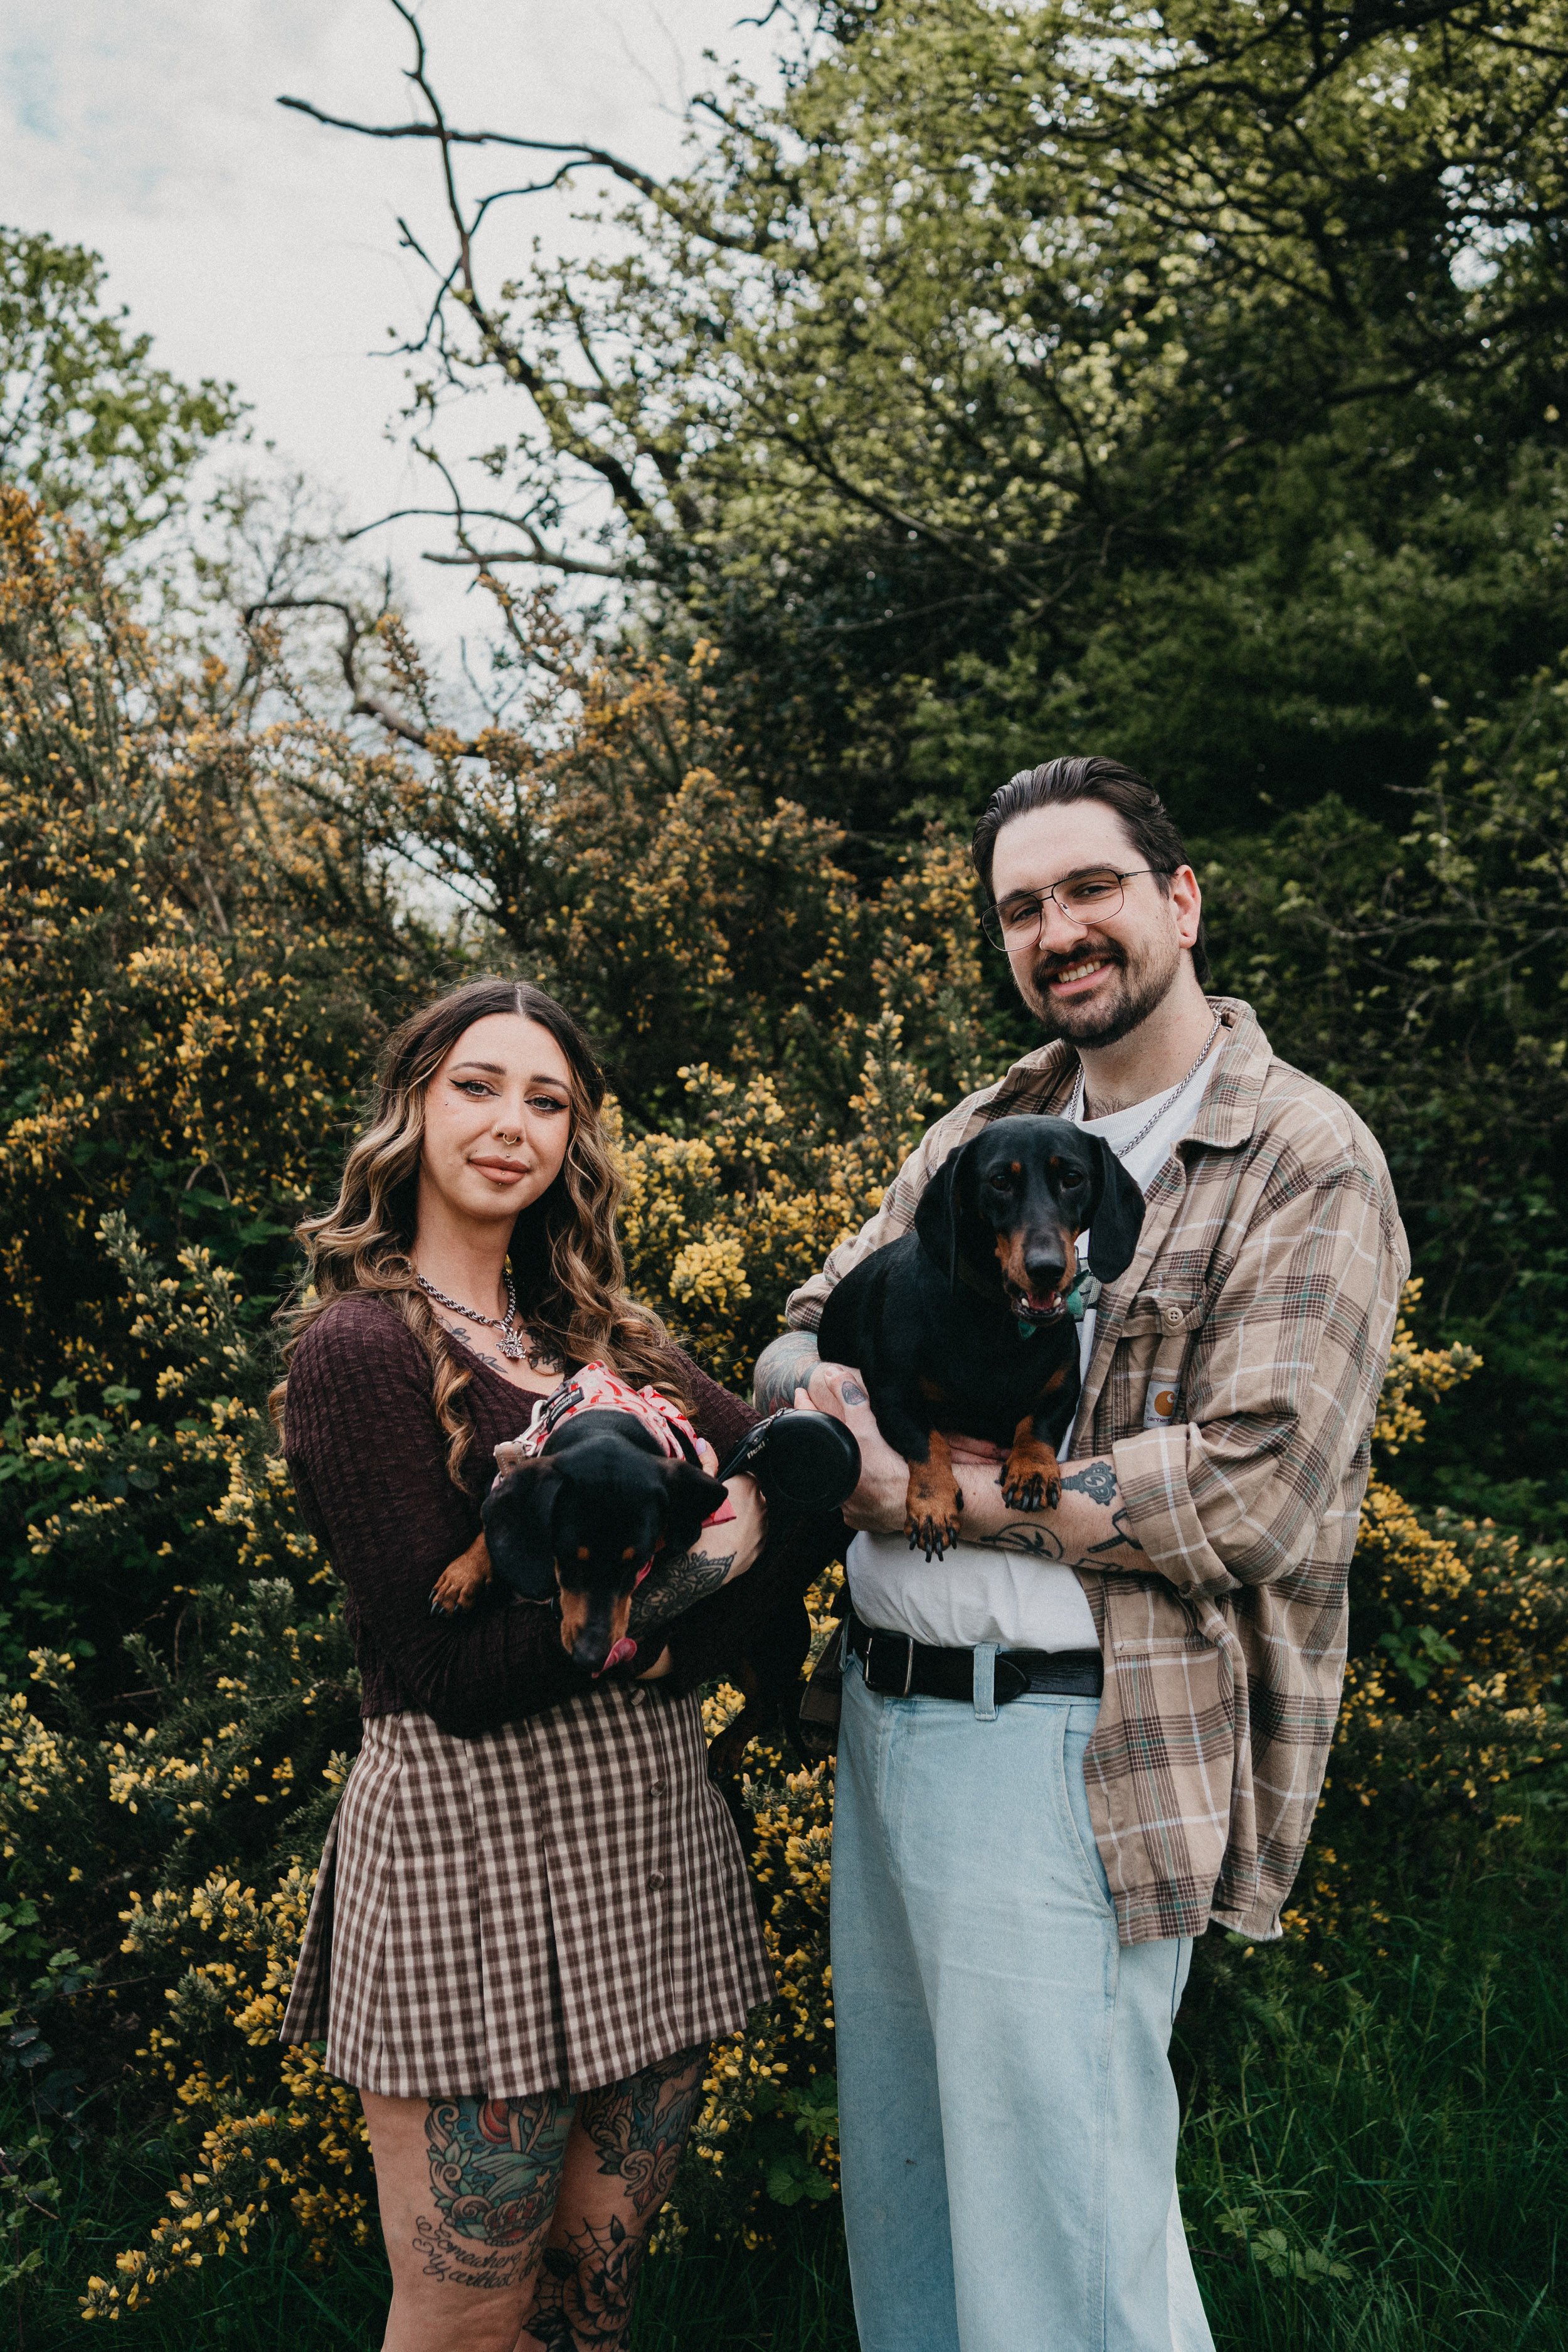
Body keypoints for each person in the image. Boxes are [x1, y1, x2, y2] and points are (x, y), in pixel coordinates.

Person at [756, 756, 1410, 2352]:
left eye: (1089, 888)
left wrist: (901, 1483)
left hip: (1071, 1735)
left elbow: (1253, 1490)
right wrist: (826, 1408)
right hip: (887, 1716)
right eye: (1021, 906)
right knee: (911, 2217)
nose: (1058, 930)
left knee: (1069, 2226)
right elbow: (793, 1336)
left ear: (1178, 901)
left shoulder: (1300, 1156)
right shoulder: (985, 1128)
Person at [275, 977, 823, 2352]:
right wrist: (704, 1568)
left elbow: (789, 1500)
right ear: (410, 1107)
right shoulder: (359, 1354)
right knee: (469, 2319)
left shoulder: (608, 1343)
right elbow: (450, 1672)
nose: (510, 1122)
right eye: (476, 1085)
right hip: (470, 1858)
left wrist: (708, 1594)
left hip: (645, 1838)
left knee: (592, 2304)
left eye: (547, 1099)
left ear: (574, 1140)